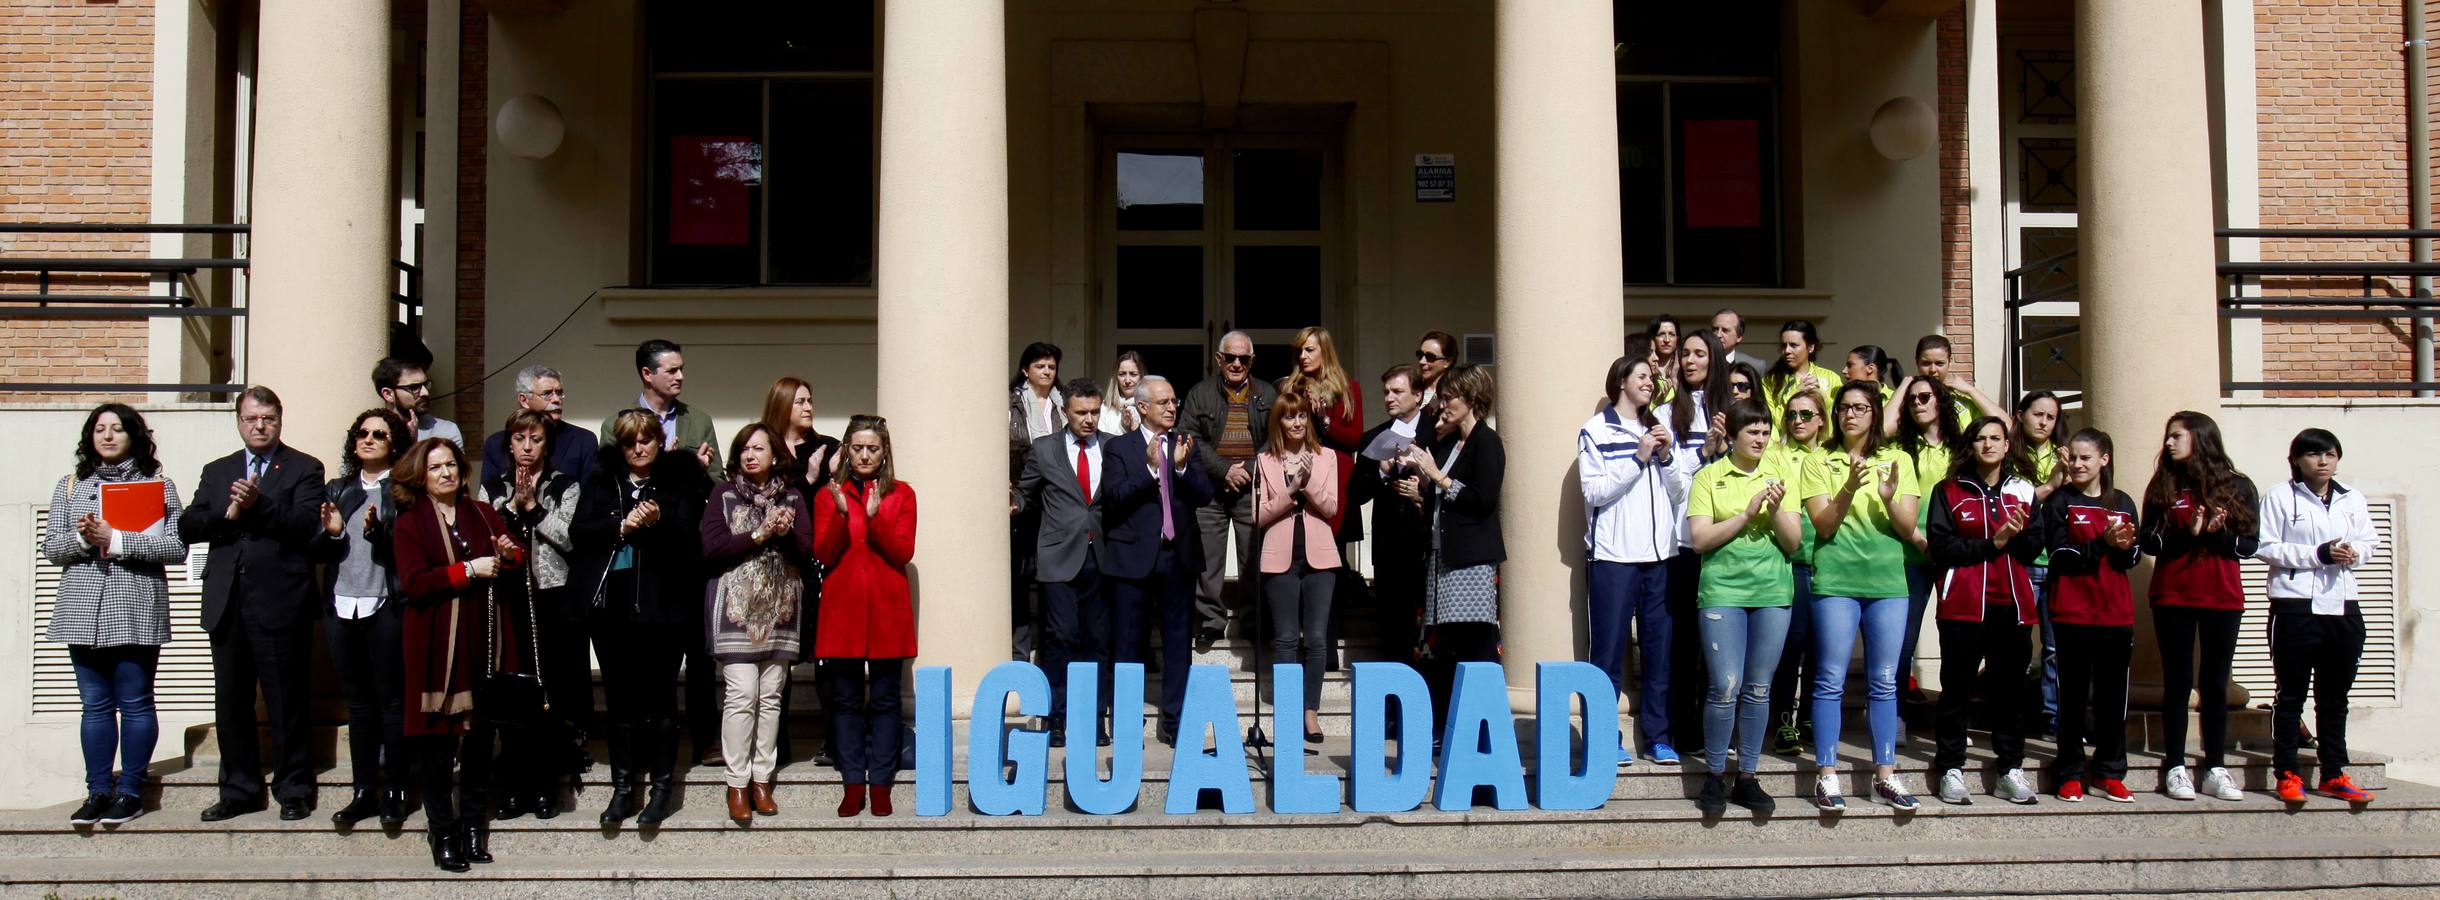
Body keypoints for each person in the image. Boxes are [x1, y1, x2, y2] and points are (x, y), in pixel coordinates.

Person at [181, 387, 327, 822]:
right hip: (227, 600)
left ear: (280, 421)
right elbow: (189, 523)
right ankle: (239, 789)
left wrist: (258, 504)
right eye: (251, 419)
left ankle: (294, 787)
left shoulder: (304, 467)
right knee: (231, 702)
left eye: (267, 418)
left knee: (287, 700)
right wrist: (228, 513)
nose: (259, 426)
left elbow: (305, 525)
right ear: (238, 422)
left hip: (280, 600)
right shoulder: (218, 469)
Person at [389, 437, 527, 872]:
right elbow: (414, 582)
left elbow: (515, 555)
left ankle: (473, 828)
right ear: (420, 477)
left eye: (452, 465)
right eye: (436, 468)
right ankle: (442, 830)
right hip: (435, 641)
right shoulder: (409, 522)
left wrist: (507, 554)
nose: (447, 473)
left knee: (481, 739)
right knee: (438, 743)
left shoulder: (483, 513)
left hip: (483, 638)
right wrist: (467, 570)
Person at [49, 404, 189, 827]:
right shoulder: (71, 485)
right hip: (82, 606)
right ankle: (97, 791)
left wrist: (118, 538)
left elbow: (176, 548)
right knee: (93, 705)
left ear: (134, 436)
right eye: (99, 429)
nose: (107, 436)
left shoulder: (158, 486)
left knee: (135, 701)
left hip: (134, 604)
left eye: (117, 429)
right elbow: (52, 548)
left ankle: (130, 790)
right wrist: (85, 538)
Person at [570, 409, 710, 826]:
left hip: (664, 607)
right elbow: (580, 532)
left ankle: (662, 789)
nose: (638, 449)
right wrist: (622, 524)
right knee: (620, 704)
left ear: (658, 440)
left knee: (662, 701)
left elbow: (691, 535)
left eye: (645, 439)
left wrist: (658, 520)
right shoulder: (602, 480)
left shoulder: (680, 479)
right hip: (612, 608)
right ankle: (623, 788)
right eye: (629, 442)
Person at [1801, 381, 1921, 811]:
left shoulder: (1899, 459)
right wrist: (1850, 485)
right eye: (1843, 408)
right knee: (1830, 679)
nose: (1850, 415)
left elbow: (1908, 529)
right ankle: (1827, 774)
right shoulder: (1819, 460)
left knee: (1884, 681)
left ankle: (1886, 774)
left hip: (1887, 584)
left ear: (1875, 414)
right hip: (1835, 581)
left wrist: (1889, 500)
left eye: (1860, 408)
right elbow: (1824, 526)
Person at [1684, 399, 1802, 814]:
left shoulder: (1781, 476)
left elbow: (1794, 543)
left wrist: (1774, 512)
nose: (1761, 439)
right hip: (1723, 593)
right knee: (1724, 686)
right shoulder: (1708, 478)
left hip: (1772, 594)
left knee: (1757, 688)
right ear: (1732, 436)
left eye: (1766, 432)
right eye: (1752, 432)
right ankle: (1715, 775)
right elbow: (1700, 540)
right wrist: (1746, 513)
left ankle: (1747, 776)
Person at [2139, 411, 2260, 803]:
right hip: (2173, 594)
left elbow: (2249, 545)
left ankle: (2215, 766)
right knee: (2177, 682)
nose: (2169, 443)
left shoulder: (2238, 486)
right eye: (2167, 435)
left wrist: (2217, 533)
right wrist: (2185, 533)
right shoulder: (2163, 484)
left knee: (2214, 682)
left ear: (2200, 438)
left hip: (2221, 596)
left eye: (2177, 436)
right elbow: (2149, 542)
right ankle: (2175, 765)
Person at [2256, 428, 2379, 805]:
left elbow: (2369, 541)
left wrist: (2353, 553)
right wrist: (2317, 555)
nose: (2322, 461)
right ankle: (2287, 771)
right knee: (2291, 694)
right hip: (2295, 607)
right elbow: (2266, 547)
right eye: (2313, 455)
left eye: (2329, 455)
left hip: (2341, 605)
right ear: (2296, 460)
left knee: (2334, 696)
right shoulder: (2280, 496)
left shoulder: (2351, 498)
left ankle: (2334, 773)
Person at [700, 423, 815, 823]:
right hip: (735, 614)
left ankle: (762, 780)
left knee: (770, 699)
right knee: (741, 696)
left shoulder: (794, 497)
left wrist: (783, 533)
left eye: (758, 449)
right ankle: (737, 783)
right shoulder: (723, 494)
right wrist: (758, 534)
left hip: (780, 613)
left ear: (774, 455)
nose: (751, 455)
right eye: (744, 449)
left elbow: (806, 550)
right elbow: (711, 549)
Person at [1925, 416, 2043, 806]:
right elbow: (1942, 547)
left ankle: (2010, 769)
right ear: (1970, 445)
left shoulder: (2024, 490)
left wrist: (2016, 538)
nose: (1989, 444)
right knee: (1956, 689)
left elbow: (2034, 548)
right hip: (1963, 605)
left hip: (2013, 606)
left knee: (2009, 692)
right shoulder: (1949, 490)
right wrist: (1995, 543)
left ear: (2008, 446)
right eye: (1981, 438)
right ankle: (1951, 768)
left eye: (1996, 438)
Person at [476, 409, 587, 820]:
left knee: (548, 693)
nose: (527, 446)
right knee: (510, 692)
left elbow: (569, 538)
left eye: (535, 439)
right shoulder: (493, 486)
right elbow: (487, 533)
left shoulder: (566, 486)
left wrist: (535, 508)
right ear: (509, 443)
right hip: (507, 596)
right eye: (520, 438)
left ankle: (545, 785)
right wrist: (512, 508)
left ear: (547, 444)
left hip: (551, 595)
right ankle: (511, 785)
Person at [1579, 355, 1688, 767]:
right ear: (1621, 382)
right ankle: (1605, 737)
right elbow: (1594, 492)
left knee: (1659, 653)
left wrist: (1665, 456)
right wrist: (1637, 458)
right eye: (1641, 376)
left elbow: (1679, 491)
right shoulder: (1595, 430)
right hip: (1613, 558)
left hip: (1660, 558)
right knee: (1606, 654)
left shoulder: (1659, 427)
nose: (1649, 382)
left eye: (1650, 377)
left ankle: (1658, 736)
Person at [815, 414, 918, 817]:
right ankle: (853, 783)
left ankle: (881, 784)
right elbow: (824, 553)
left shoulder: (903, 494)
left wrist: (874, 520)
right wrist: (843, 514)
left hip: (887, 613)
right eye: (857, 448)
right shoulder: (829, 495)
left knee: (887, 700)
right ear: (846, 450)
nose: (864, 455)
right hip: (843, 612)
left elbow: (902, 552)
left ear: (884, 451)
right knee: (844, 700)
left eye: (872, 448)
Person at [1100, 375, 1210, 746]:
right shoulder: (1119, 448)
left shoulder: (1186, 444)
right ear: (1142, 407)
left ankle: (1176, 723)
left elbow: (1204, 494)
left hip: (1176, 557)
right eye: (1163, 402)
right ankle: (1128, 725)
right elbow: (1113, 500)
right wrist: (1150, 471)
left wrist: (1179, 468)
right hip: (1132, 560)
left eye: (1174, 401)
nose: (1171, 407)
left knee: (1178, 644)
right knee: (1128, 645)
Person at [316, 409, 411, 827]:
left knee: (392, 701)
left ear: (394, 444)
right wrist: (333, 532)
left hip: (386, 602)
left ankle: (395, 790)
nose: (368, 439)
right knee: (358, 703)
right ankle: (362, 791)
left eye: (379, 434)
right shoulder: (338, 489)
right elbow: (316, 550)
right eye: (362, 433)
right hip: (342, 603)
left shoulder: (405, 491)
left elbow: (411, 551)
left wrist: (380, 534)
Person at [1398, 364, 1503, 734]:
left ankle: (1483, 731)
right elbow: (1445, 497)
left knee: (1476, 645)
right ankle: (1450, 726)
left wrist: (1439, 478)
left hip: (1470, 561)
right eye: (1441, 397)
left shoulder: (1486, 442)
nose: (1443, 405)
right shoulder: (1451, 443)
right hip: (1442, 558)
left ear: (1472, 398)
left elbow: (1484, 500)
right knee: (1445, 647)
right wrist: (1426, 485)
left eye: (1449, 397)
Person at [2040, 428, 2140, 803]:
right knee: (2072, 698)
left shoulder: (2123, 501)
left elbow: (2130, 558)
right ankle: (2069, 772)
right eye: (2074, 458)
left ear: (2104, 460)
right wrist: (2102, 542)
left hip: (2116, 615)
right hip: (2071, 613)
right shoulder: (2060, 502)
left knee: (2114, 700)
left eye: (2086, 458)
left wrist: (2124, 546)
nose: (2079, 464)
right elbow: (2060, 557)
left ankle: (2110, 771)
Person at [1014, 379, 1113, 746]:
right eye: (1081, 412)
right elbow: (1025, 494)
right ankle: (1055, 718)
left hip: (1101, 558)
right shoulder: (1044, 449)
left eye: (1094, 412)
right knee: (1059, 640)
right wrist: (1014, 505)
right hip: (1058, 558)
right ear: (1065, 412)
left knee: (1097, 642)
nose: (1088, 419)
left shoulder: (1112, 447)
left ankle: (1095, 718)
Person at [759, 375, 841, 766]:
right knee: (781, 659)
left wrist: (820, 478)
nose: (809, 407)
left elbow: (831, 504)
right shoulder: (763, 449)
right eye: (801, 401)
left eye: (811, 400)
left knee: (825, 654)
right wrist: (807, 479)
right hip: (777, 566)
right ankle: (778, 744)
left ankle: (833, 740)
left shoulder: (829, 448)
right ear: (783, 405)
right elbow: (769, 504)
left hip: (819, 566)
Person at [1660, 330, 1733, 760]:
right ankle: (1683, 730)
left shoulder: (1734, 410)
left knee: (1721, 646)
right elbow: (1671, 480)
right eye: (1685, 353)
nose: (1689, 360)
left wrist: (1725, 450)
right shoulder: (1668, 413)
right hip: (1685, 543)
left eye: (1699, 353)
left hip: (1729, 543)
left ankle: (1719, 732)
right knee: (1683, 643)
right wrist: (1704, 453)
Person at [1255, 391, 1343, 744]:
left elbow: (1333, 507)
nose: (1297, 423)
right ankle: (1289, 711)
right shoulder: (1265, 460)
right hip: (1280, 557)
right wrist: (1290, 489)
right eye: (1289, 417)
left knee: (1318, 638)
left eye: (1302, 416)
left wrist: (1306, 485)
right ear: (1279, 422)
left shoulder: (1327, 457)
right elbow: (1258, 516)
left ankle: (1310, 712)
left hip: (1320, 556)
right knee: (1287, 638)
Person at [1181, 331, 1278, 641]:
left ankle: (1252, 621)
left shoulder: (1267, 393)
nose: (1237, 363)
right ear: (1218, 359)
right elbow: (1189, 436)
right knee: (1208, 560)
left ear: (1252, 361)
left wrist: (1246, 469)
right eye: (1231, 357)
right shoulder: (1199, 393)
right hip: (1211, 489)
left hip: (1253, 487)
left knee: (1253, 558)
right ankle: (1210, 621)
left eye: (1244, 358)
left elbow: (1276, 438)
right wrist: (1223, 469)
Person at [1348, 366, 1431, 706]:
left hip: (1427, 546)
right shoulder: (1374, 438)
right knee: (1393, 633)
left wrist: (1422, 484)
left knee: (1428, 634)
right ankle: (1397, 710)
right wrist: (1381, 472)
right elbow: (1355, 491)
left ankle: (1429, 707)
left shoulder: (1436, 432)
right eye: (1386, 392)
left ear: (1418, 395)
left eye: (1397, 392)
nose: (1390, 398)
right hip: (1389, 550)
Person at [1764, 389, 1831, 757]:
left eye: (1806, 414)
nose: (1798, 421)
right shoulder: (1773, 456)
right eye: (1791, 415)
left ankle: (1810, 716)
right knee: (1793, 645)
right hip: (1792, 562)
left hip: (1832, 563)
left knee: (1824, 646)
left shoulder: (1831, 457)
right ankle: (1784, 718)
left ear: (1821, 418)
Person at [1892, 375, 1961, 697]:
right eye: (1911, 399)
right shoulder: (1900, 446)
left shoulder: (1961, 447)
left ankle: (1954, 717)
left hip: (1954, 554)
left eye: (1924, 397)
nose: (1917, 404)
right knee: (1904, 637)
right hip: (1911, 551)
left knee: (1958, 638)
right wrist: (1903, 388)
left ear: (1940, 401)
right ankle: (1898, 712)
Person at [2014, 391, 2067, 736]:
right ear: (2021, 415)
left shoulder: (2064, 455)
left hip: (2059, 561)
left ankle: (2052, 715)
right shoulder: (2010, 454)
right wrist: (2049, 486)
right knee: (2016, 642)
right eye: (2038, 414)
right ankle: (2012, 713)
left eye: (2050, 417)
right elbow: (2013, 499)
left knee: (2054, 646)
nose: (2044, 422)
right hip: (2023, 559)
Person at [1008, 342, 1065, 658]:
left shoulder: (1065, 403)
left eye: (1051, 367)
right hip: (1022, 499)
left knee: (1052, 578)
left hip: (1056, 501)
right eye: (1040, 366)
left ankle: (1049, 649)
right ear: (1025, 370)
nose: (1047, 371)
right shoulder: (1010, 406)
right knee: (1019, 578)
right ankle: (1019, 650)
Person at [1282, 326, 1364, 536]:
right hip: (1300, 472)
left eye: (1309, 350)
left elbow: (1354, 440)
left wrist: (1324, 419)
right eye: (1299, 351)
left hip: (1337, 475)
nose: (1303, 356)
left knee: (1336, 550)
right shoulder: (1291, 390)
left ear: (1324, 351)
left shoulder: (1347, 389)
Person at [603, 339, 722, 480]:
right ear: (647, 374)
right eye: (672, 371)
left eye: (681, 369)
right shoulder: (615, 424)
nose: (680, 377)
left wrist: (697, 473)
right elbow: (607, 483)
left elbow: (718, 481)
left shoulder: (700, 421)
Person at [482, 365, 598, 483]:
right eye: (547, 394)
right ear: (524, 400)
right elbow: (488, 495)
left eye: (559, 393)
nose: (556, 400)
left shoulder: (583, 441)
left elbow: (590, 496)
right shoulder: (496, 444)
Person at [373, 357, 464, 449]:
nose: (425, 393)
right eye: (414, 387)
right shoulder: (370, 434)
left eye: (425, 384)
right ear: (388, 394)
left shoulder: (445, 432)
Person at [1761, 320, 1841, 422]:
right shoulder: (1770, 381)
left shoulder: (1831, 378)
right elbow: (1770, 421)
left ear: (1811, 347)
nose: (1787, 351)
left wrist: (1823, 398)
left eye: (1793, 345)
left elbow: (1839, 417)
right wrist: (1795, 393)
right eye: (1784, 345)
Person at [1914, 334, 1999, 424]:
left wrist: (1971, 390)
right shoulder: (1906, 398)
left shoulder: (1964, 400)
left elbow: (2005, 426)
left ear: (1949, 362)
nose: (1933, 370)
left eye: (1939, 363)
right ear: (1917, 363)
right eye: (1926, 363)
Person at [1098, 351, 1147, 437]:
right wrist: (1123, 427)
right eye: (1122, 374)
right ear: (1116, 377)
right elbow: (1102, 444)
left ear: (1142, 377)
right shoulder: (1104, 408)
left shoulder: (1153, 408)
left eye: (1133, 374)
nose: (1127, 380)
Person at [1712, 308, 1769, 375]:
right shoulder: (1700, 362)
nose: (1718, 335)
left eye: (1725, 330)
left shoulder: (1755, 366)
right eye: (1715, 329)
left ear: (1739, 337)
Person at [1415, 330, 1458, 406]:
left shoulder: (1457, 393)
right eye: (1420, 355)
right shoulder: (1413, 390)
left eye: (1430, 357)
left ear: (1447, 362)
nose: (1422, 361)